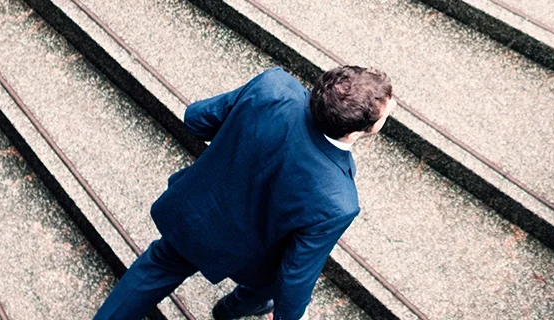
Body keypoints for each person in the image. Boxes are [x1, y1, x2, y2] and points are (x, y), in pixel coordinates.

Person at [93, 66, 394, 320]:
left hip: (199, 214)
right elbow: (297, 273)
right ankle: (230, 310)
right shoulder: (338, 200)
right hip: (250, 259)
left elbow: (197, 119)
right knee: (271, 280)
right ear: (354, 133)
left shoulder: (273, 87)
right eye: (385, 114)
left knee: (155, 268)